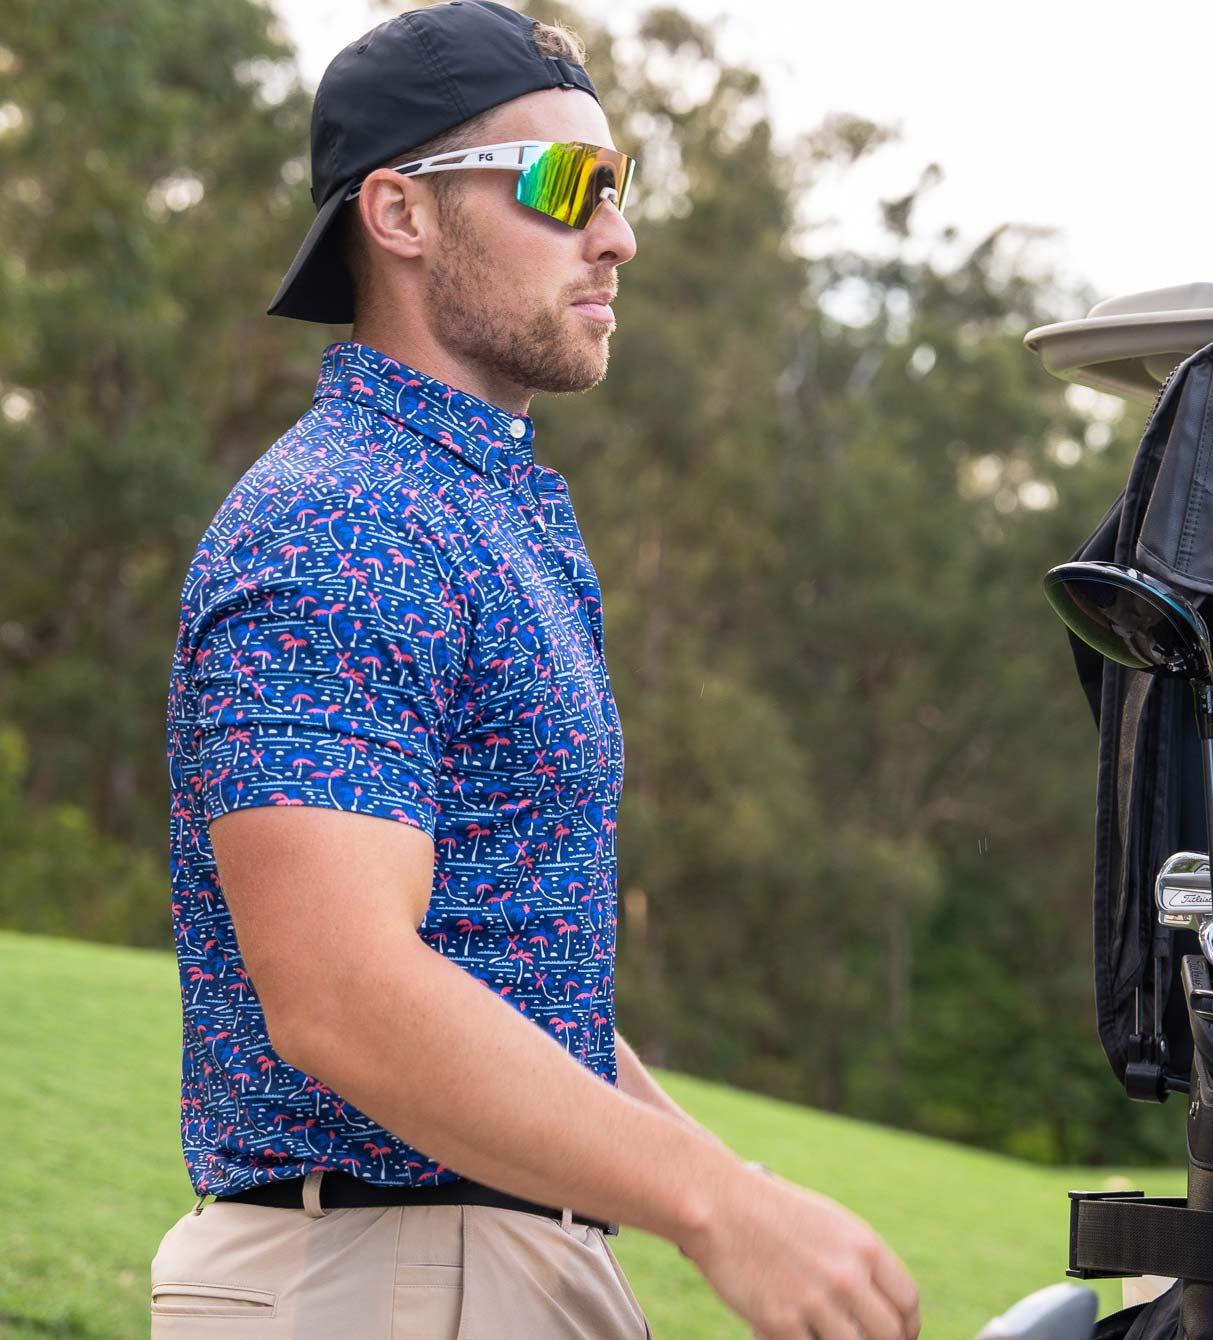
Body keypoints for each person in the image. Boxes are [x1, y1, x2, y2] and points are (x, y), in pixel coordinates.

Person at [150, 4, 922, 1337]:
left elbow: (516, 983)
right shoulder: (342, 519)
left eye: (621, 187)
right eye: (567, 185)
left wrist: (735, 1192)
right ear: (401, 213)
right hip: (386, 1280)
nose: (616, 234)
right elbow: (340, 992)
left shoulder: (475, 510)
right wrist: (715, 1207)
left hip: (463, 1269)